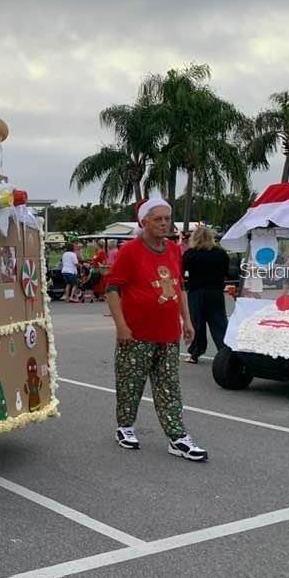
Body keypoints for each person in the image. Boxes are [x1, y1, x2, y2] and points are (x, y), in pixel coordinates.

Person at [105, 197, 208, 462]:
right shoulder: (130, 251)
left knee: (169, 387)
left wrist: (187, 320)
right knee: (130, 384)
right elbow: (112, 289)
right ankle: (125, 427)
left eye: (167, 218)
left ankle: (177, 437)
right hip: (136, 334)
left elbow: (178, 286)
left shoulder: (173, 249)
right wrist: (121, 326)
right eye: (158, 219)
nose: (164, 223)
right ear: (144, 222)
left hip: (168, 334)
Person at [182, 226, 230, 363]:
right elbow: (227, 271)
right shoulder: (221, 253)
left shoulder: (190, 254)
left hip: (197, 292)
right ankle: (226, 354)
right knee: (219, 323)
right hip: (215, 292)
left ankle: (195, 353)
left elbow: (182, 271)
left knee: (197, 324)